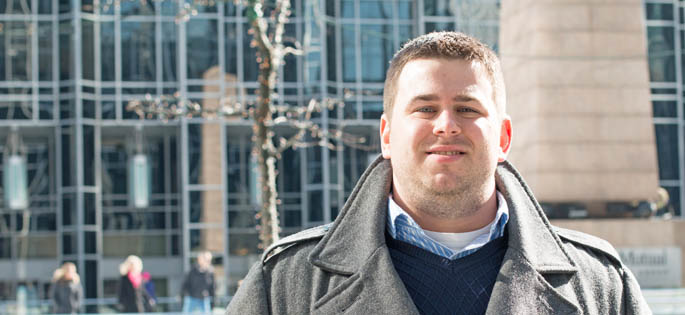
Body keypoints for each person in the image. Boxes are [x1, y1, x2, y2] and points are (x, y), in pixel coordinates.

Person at [226, 32, 651, 314]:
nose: (446, 124)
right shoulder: (285, 283)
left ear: (503, 137)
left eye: (466, 108)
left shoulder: (601, 286)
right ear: (386, 136)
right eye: (425, 108)